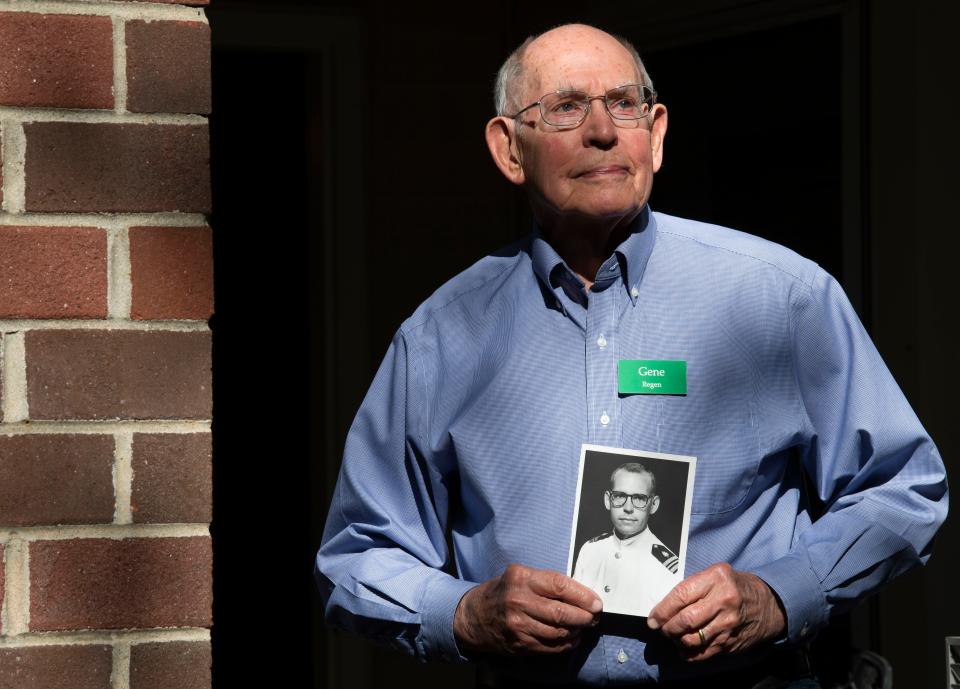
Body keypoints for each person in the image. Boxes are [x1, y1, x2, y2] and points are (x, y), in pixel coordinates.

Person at [315, 22, 947, 687]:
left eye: (625, 103)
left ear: (659, 131)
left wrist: (782, 595)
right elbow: (358, 554)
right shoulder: (442, 336)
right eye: (565, 107)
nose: (603, 131)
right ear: (509, 149)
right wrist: (466, 612)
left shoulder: (782, 297)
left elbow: (904, 486)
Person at [573, 462, 681, 616]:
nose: (628, 508)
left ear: (653, 505)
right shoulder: (589, 549)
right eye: (619, 496)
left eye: (639, 498)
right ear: (608, 500)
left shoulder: (668, 567)